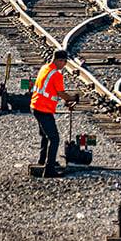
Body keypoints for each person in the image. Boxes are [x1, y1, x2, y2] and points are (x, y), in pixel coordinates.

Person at [31, 49, 77, 177]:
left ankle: (42, 160)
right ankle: (49, 169)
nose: (64, 65)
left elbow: (51, 90)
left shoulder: (45, 68)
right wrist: (72, 99)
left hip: (36, 106)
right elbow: (61, 93)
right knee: (54, 139)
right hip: (43, 109)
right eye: (64, 62)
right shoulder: (56, 74)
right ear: (59, 60)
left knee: (45, 136)